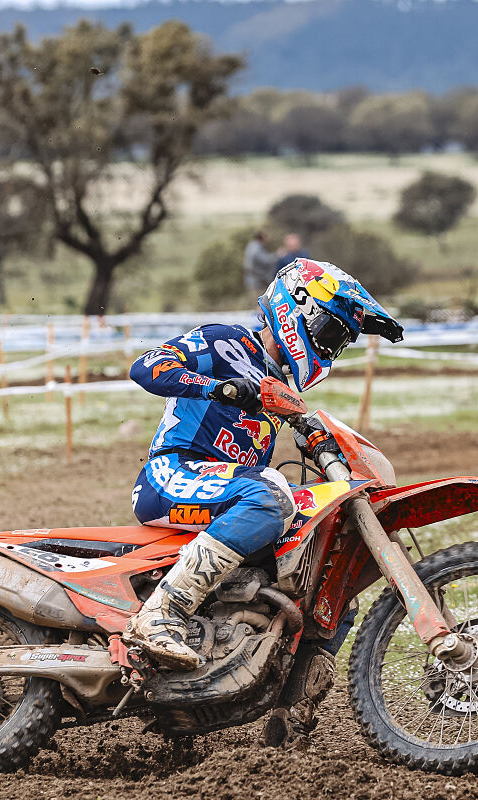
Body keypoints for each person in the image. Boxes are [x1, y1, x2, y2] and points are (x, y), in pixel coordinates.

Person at [125, 259, 404, 675]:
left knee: (322, 558)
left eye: (340, 343)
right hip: (173, 473)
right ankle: (161, 613)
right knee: (272, 493)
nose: (330, 349)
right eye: (330, 333)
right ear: (298, 308)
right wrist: (219, 387)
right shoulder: (226, 342)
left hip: (227, 492)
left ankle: (290, 689)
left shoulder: (282, 390)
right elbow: (147, 365)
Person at [242, 231, 276, 296]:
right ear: (263, 237)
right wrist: (277, 255)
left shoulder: (251, 245)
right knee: (259, 301)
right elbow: (265, 260)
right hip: (257, 282)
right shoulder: (256, 247)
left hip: (252, 280)